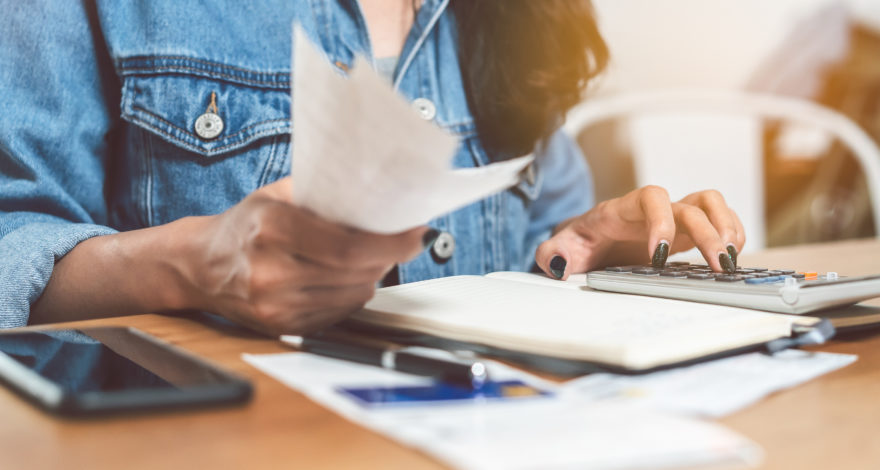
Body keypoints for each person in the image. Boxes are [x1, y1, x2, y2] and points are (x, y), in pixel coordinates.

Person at [0, 0, 745, 335]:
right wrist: (186, 267)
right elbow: (14, 243)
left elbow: (525, 249)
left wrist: (579, 254)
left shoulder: (527, 15)